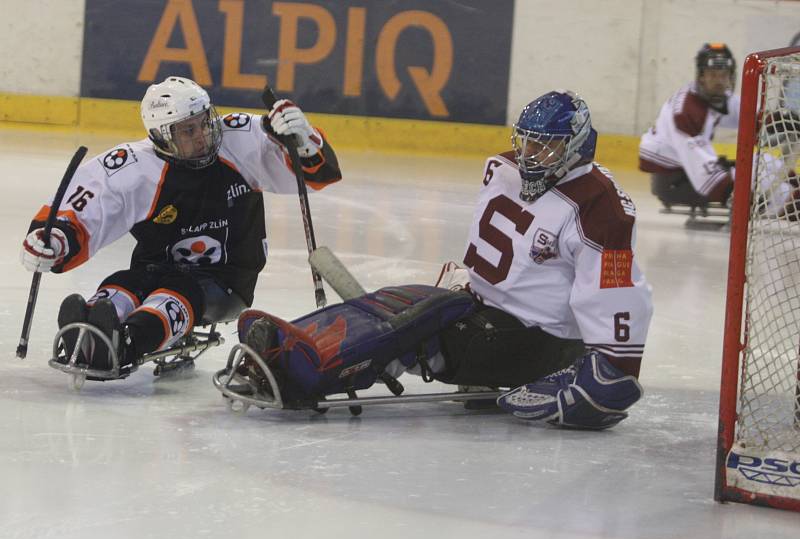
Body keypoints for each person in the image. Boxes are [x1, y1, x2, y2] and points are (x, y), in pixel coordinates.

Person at [233, 90, 653, 430]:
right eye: (525, 141)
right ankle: (295, 344)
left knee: (419, 334)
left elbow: (618, 294)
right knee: (401, 302)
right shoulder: (503, 168)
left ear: (578, 145)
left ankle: (296, 370)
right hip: (485, 311)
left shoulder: (602, 209)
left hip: (534, 342)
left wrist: (609, 376)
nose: (529, 154)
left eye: (546, 146)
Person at [20, 76, 342, 372]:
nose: (202, 135)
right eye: (188, 130)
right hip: (155, 267)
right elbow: (86, 207)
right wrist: (57, 238)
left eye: (204, 123)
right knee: (124, 281)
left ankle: (127, 344)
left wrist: (304, 139)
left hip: (227, 278)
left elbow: (314, 173)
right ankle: (89, 331)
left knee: (177, 291)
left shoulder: (238, 139)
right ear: (161, 135)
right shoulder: (134, 167)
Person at [639, 43, 740, 208]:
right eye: (712, 75)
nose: (719, 81)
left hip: (683, 170)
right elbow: (700, 168)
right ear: (701, 76)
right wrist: (733, 191)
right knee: (751, 178)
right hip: (674, 182)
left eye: (724, 75)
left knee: (758, 167)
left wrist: (774, 121)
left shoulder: (710, 95)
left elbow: (743, 111)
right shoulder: (686, 111)